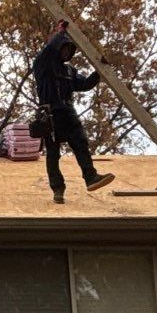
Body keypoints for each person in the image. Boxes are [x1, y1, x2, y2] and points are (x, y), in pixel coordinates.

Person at [30, 21, 116, 203]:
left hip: (68, 112)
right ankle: (58, 190)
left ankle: (91, 177)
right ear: (58, 47)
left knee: (81, 143)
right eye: (64, 48)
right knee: (53, 154)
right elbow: (48, 50)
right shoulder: (42, 65)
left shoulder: (69, 71)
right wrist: (61, 32)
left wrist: (99, 71)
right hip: (50, 115)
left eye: (69, 50)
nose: (66, 52)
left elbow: (84, 84)